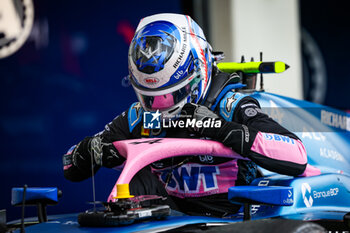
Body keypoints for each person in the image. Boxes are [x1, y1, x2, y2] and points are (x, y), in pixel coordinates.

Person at [62, 13, 307, 217]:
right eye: (150, 97)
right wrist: (92, 152)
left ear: (197, 75)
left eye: (172, 94)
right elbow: (69, 164)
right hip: (171, 219)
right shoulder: (139, 116)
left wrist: (218, 128)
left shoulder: (230, 106)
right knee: (135, 183)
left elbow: (297, 155)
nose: (160, 106)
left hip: (231, 219)